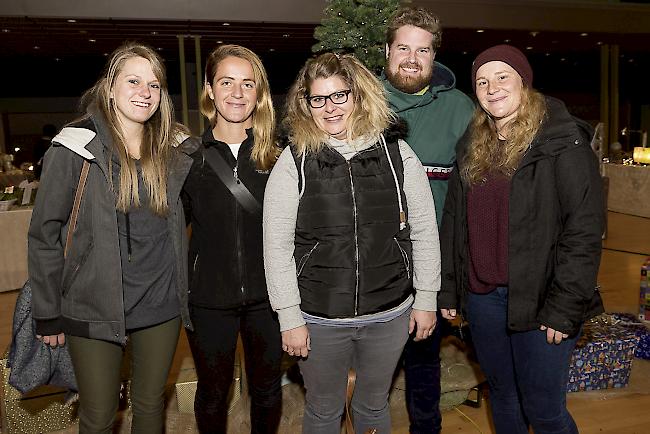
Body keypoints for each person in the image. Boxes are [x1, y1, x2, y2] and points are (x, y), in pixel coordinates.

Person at [263, 52, 440, 434]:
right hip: (319, 317)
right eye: (318, 98)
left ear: (358, 95)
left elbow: (424, 230)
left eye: (339, 95)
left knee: (374, 406)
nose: (329, 108)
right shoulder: (294, 160)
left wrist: (426, 297)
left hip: (389, 313)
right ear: (306, 104)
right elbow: (275, 246)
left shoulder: (398, 154)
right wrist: (289, 316)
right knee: (324, 410)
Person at [28, 42, 197, 433]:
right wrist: (47, 311)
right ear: (109, 87)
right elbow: (43, 235)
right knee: (99, 414)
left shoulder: (174, 150)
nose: (145, 92)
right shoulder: (74, 147)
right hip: (93, 305)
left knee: (151, 404)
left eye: (154, 85)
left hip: (160, 302)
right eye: (134, 81)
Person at [438, 44, 604, 434]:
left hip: (544, 299)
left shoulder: (562, 140)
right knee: (504, 396)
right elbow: (454, 223)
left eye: (502, 77)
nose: (492, 87)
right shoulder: (471, 145)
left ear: (524, 82)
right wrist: (448, 290)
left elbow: (583, 230)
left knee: (544, 409)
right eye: (482, 80)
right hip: (483, 300)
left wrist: (564, 307)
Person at [382, 7, 474, 433]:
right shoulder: (360, 102)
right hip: (373, 261)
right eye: (404, 48)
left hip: (431, 261)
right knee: (371, 367)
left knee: (423, 361)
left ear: (434, 57)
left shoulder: (460, 109)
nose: (412, 58)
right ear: (387, 51)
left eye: (423, 50)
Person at [181, 44, 282, 434]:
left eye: (247, 84)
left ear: (259, 94)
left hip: (270, 299)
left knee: (268, 390)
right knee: (211, 393)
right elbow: (169, 230)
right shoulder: (189, 159)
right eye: (227, 82)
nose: (237, 94)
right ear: (209, 89)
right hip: (208, 300)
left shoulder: (278, 156)